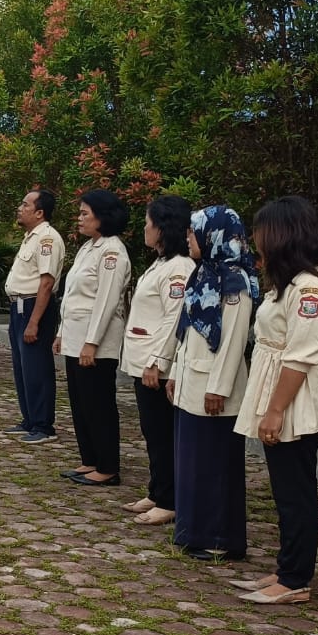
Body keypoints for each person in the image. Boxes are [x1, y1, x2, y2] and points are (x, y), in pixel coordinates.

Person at [230, 196, 318, 605]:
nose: (255, 239)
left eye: (260, 231)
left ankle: (295, 577)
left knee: (296, 490)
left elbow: (302, 354)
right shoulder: (289, 283)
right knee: (284, 487)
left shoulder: (312, 286)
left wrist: (275, 409)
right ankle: (286, 567)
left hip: (296, 396)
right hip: (279, 388)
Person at [169, 206, 256, 564]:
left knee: (217, 465)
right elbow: (186, 330)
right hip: (192, 380)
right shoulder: (201, 275)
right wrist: (175, 371)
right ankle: (194, 530)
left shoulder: (235, 280)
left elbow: (235, 339)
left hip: (215, 389)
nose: (188, 238)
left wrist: (218, 387)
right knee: (192, 463)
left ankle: (220, 536)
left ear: (213, 235)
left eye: (194, 232)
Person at [121, 196, 194, 527]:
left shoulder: (179, 267)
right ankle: (157, 488)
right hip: (142, 360)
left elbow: (172, 318)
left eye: (148, 222)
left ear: (163, 228)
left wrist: (156, 361)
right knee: (152, 431)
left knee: (164, 434)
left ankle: (169, 498)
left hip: (156, 364)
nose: (144, 228)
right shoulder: (162, 263)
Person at [55, 190, 133, 487]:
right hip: (76, 336)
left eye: (85, 213)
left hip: (95, 342)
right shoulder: (90, 247)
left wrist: (92, 341)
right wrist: (62, 332)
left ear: (103, 217)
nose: (80, 218)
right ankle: (89, 459)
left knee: (98, 404)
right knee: (80, 402)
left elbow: (106, 300)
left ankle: (108, 466)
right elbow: (72, 296)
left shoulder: (112, 251)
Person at [4, 189, 66, 444]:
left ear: (40, 212)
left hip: (33, 308)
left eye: (25, 204)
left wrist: (34, 321)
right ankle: (29, 418)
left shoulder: (47, 239)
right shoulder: (30, 237)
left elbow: (46, 283)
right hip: (18, 306)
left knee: (37, 367)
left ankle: (43, 425)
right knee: (22, 368)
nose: (20, 208)